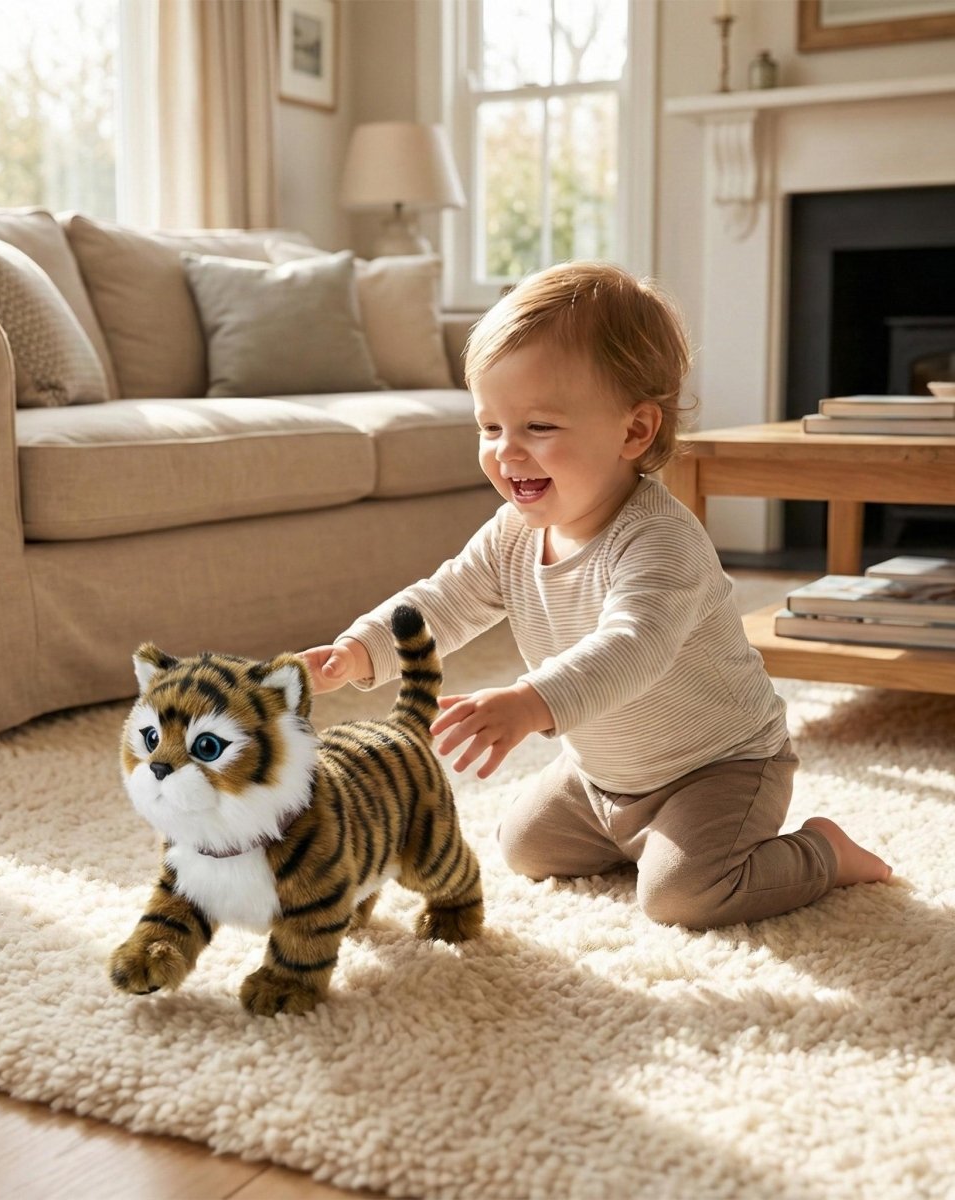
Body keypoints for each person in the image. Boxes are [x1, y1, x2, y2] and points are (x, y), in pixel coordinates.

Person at [300, 262, 891, 929]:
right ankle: (639, 837)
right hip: (602, 774)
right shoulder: (513, 535)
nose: (506, 453)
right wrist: (363, 648)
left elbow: (631, 648)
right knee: (522, 847)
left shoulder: (662, 541)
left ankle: (824, 853)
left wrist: (530, 702)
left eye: (538, 428)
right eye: (489, 428)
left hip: (720, 768)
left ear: (634, 432)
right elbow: (444, 600)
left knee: (682, 897)